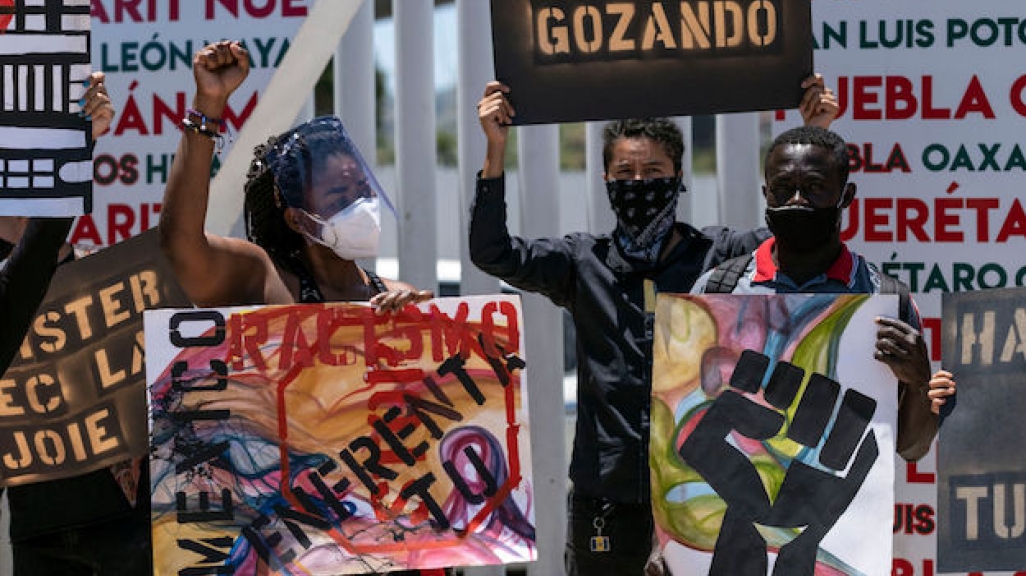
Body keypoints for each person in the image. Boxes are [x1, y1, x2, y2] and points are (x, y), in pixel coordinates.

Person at [470, 76, 838, 575]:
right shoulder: (582, 262)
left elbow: (797, 233)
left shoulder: (718, 256)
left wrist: (811, 134)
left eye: (654, 170)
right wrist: (495, 149)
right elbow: (492, 252)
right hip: (607, 497)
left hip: (698, 494)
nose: (640, 182)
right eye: (626, 171)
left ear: (679, 174)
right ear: (605, 179)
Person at [158, 41, 446, 576]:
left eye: (362, 188)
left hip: (389, 548)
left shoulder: (394, 293)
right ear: (296, 219)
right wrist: (207, 111)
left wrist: (424, 334)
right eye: (338, 194)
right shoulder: (266, 282)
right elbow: (180, 246)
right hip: (292, 551)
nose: (359, 203)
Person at [691, 125, 956, 459]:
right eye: (783, 188)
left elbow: (911, 449)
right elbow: (684, 421)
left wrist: (919, 383)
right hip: (730, 505)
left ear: (846, 196)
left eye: (815, 187)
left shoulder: (884, 300)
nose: (798, 200)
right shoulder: (717, 290)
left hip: (844, 508)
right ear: (766, 193)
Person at [0, 72, 155, 576]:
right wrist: (75, 145)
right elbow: (31, 261)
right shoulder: (10, 285)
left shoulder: (115, 276)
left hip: (126, 533)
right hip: (38, 536)